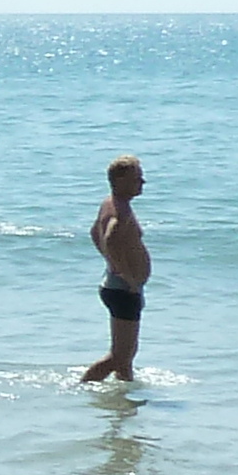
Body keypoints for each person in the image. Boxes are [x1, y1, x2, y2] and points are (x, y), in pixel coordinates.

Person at [82, 154, 150, 383]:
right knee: (120, 356)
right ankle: (82, 388)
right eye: (137, 179)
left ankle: (124, 406)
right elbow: (109, 238)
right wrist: (125, 275)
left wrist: (112, 265)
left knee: (125, 355)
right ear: (119, 181)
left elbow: (94, 233)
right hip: (123, 289)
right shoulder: (121, 211)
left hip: (118, 286)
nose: (142, 183)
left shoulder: (110, 203)